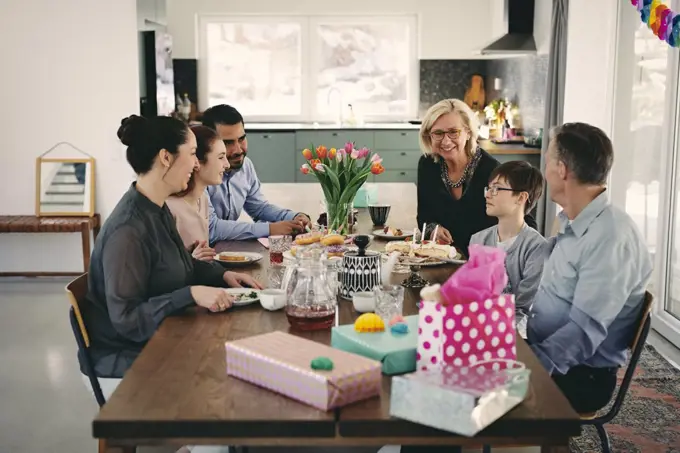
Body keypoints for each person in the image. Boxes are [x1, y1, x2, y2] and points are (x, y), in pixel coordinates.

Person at [79, 115, 263, 383]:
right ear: (166, 157)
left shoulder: (155, 207)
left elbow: (182, 263)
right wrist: (190, 294)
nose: (195, 163)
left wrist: (221, 275)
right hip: (127, 360)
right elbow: (127, 319)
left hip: (160, 337)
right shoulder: (128, 231)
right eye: (191, 154)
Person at [528, 122, 652, 414]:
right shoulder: (577, 221)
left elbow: (584, 332)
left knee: (458, 395)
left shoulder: (610, 236)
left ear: (561, 170)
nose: (544, 170)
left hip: (577, 376)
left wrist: (528, 366)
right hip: (551, 356)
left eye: (546, 160)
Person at [416, 98, 536, 257]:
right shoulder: (428, 165)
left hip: (485, 264)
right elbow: (425, 216)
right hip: (442, 259)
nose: (445, 141)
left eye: (453, 132)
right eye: (438, 133)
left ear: (468, 132)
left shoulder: (492, 171)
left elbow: (526, 222)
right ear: (429, 136)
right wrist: (433, 230)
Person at [201, 104, 311, 242]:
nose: (238, 150)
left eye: (241, 139)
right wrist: (271, 228)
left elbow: (259, 209)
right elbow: (212, 229)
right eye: (228, 143)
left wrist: (293, 217)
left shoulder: (245, 166)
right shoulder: (200, 173)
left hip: (226, 250)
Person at [470, 160, 547, 335]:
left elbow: (524, 309)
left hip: (515, 337)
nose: (488, 195)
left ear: (521, 197)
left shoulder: (537, 248)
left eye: (496, 189)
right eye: (488, 188)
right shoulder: (478, 240)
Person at [167, 125, 229, 261]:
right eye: (220, 157)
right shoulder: (170, 209)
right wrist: (192, 261)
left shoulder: (203, 198)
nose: (227, 164)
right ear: (197, 162)